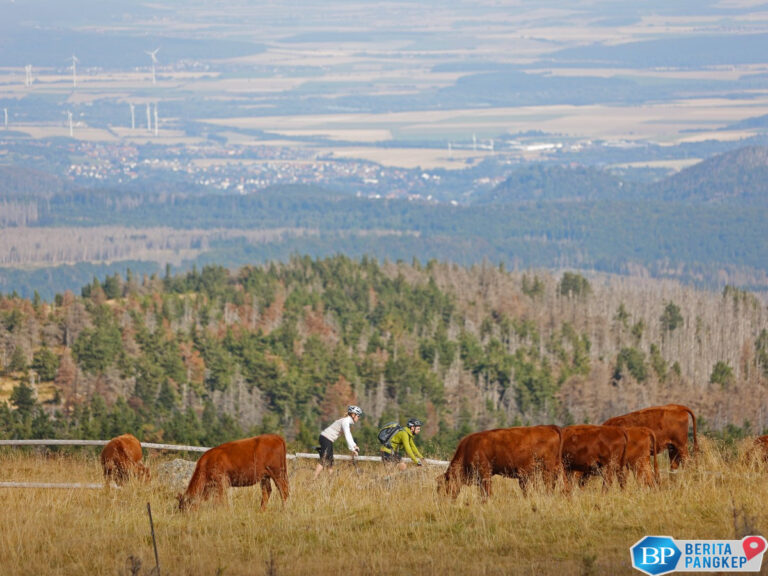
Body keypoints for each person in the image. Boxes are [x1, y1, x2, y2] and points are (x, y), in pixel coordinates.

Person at [313, 405, 363, 479]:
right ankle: (312, 479)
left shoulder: (346, 421)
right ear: (353, 415)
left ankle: (331, 481)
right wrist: (352, 449)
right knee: (324, 460)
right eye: (358, 416)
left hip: (327, 439)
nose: (359, 418)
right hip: (326, 438)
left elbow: (349, 435)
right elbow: (347, 434)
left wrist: (354, 445)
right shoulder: (345, 421)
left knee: (330, 462)